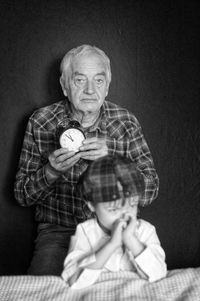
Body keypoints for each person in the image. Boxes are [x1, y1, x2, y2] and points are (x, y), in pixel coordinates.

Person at [14, 44, 159, 276]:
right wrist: (51, 171)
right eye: (80, 80)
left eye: (98, 81)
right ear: (64, 86)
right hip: (59, 233)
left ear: (107, 86)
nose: (90, 90)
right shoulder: (41, 121)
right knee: (44, 290)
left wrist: (112, 161)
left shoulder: (125, 122)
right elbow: (22, 195)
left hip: (116, 229)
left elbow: (150, 190)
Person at [61, 155, 167, 289]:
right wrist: (112, 244)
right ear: (92, 205)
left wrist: (131, 240)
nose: (124, 214)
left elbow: (159, 274)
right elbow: (73, 280)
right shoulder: (85, 231)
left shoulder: (146, 230)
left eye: (132, 204)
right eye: (113, 209)